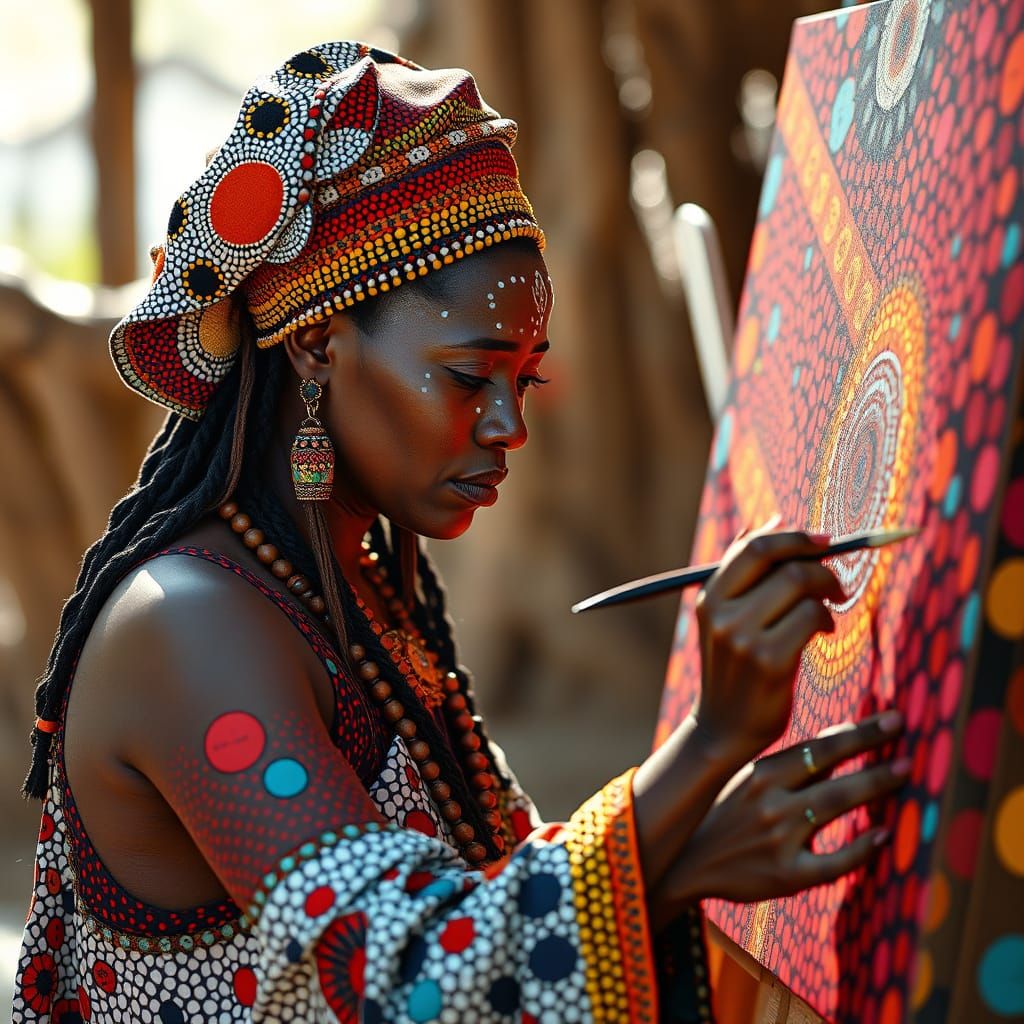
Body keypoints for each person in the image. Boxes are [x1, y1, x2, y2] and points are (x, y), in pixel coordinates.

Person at [13, 41, 908, 1024]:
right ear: (316, 342)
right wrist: (704, 749)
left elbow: (478, 879)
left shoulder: (349, 595)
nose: (507, 426)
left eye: (522, 380)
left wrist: (679, 860)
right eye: (468, 374)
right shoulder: (185, 628)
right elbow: (406, 976)